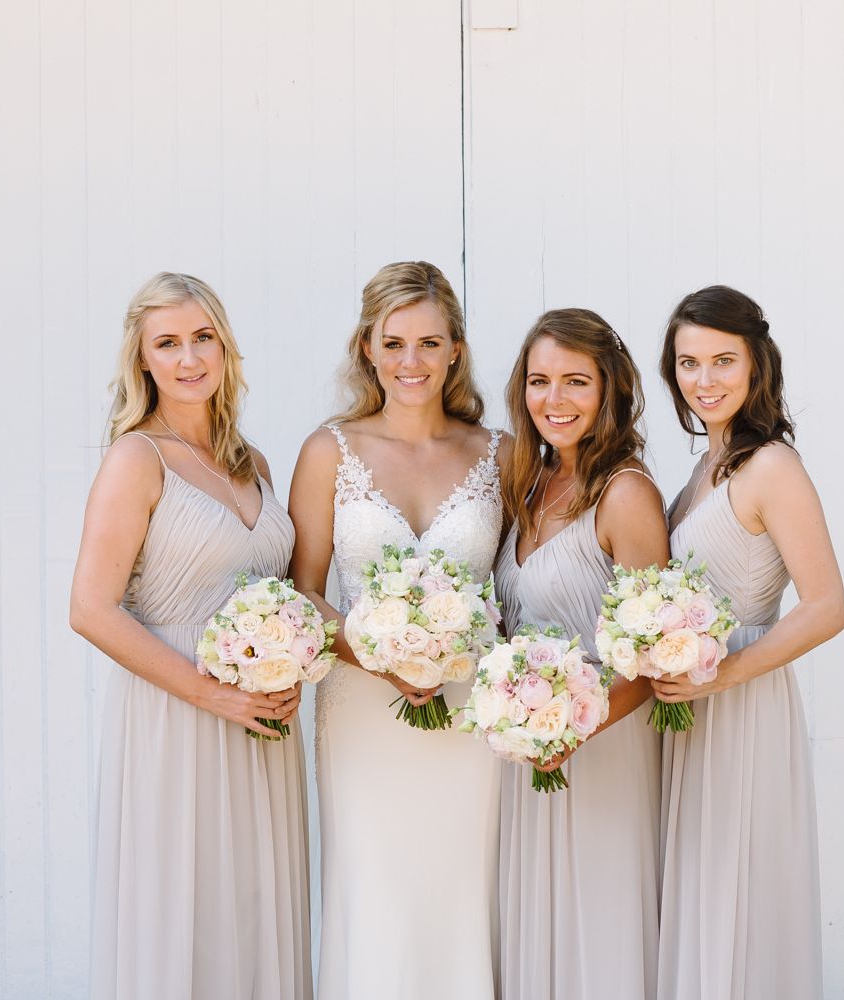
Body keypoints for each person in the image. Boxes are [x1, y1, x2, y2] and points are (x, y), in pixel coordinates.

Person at [70, 272, 311, 1000]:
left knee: (255, 907)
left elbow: (285, 595)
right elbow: (91, 609)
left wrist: (294, 670)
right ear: (142, 360)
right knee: (184, 910)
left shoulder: (253, 463)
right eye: (167, 343)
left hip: (263, 722)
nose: (188, 358)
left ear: (225, 347)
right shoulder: (135, 459)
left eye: (203, 337)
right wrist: (215, 696)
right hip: (175, 716)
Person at [288, 261, 507, 999]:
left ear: (455, 350)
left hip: (469, 715)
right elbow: (303, 594)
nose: (411, 361)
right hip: (362, 712)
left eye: (429, 343)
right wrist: (385, 660)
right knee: (374, 891)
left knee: (462, 890)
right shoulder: (329, 450)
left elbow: (520, 587)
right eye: (394, 343)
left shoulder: (501, 454)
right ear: (368, 348)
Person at [653, 285, 844, 1000]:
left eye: (723, 361)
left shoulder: (772, 467)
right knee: (701, 889)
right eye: (688, 363)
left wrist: (726, 674)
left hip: (743, 702)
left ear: (757, 363)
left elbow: (826, 607)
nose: (704, 380)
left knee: (741, 890)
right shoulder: (703, 469)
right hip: (692, 702)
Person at [493, 308, 667, 999]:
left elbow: (654, 659)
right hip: (530, 749)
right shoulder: (526, 485)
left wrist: (574, 730)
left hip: (604, 748)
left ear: (608, 390)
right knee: (540, 934)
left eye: (576, 381)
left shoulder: (625, 494)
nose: (554, 400)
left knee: (598, 931)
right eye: (539, 381)